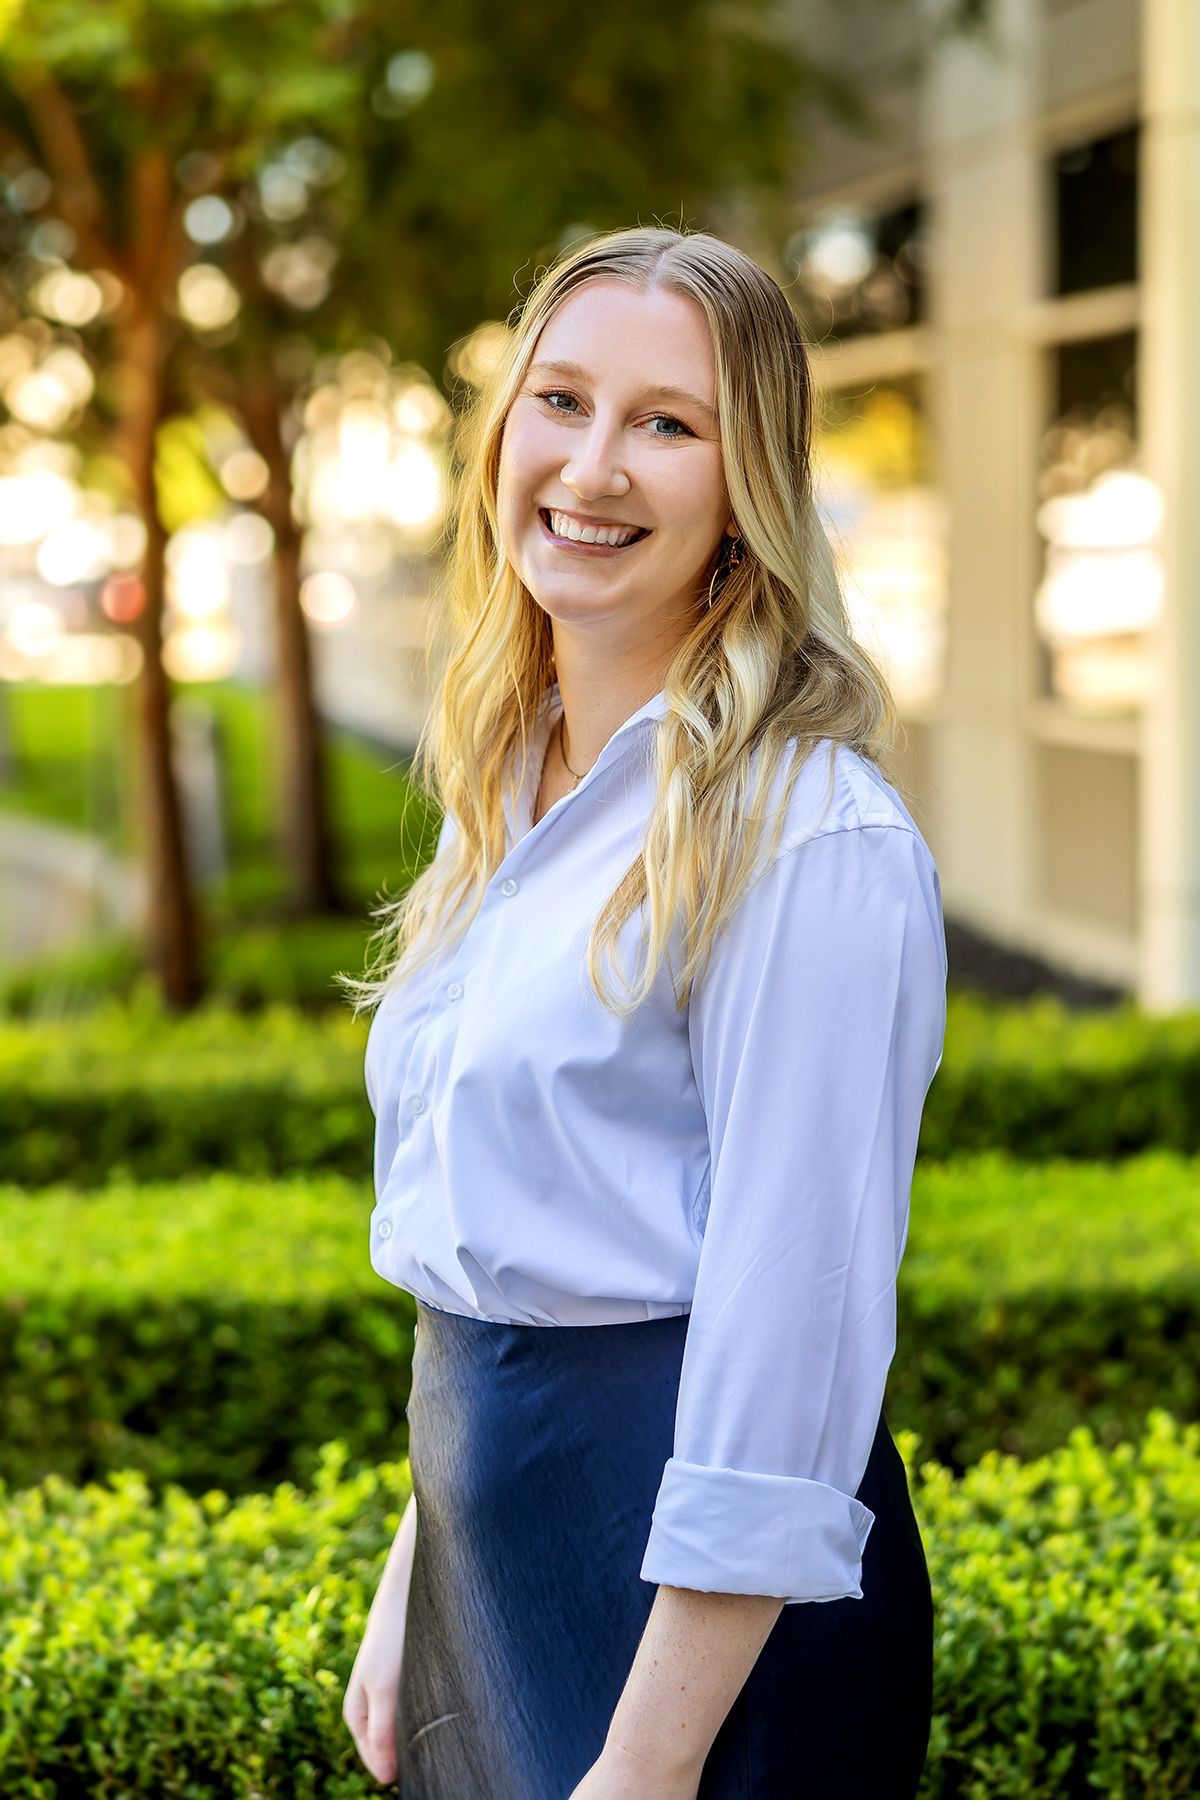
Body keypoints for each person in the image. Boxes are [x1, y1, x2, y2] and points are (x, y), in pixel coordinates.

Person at [339, 224, 947, 1799]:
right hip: (498, 1551)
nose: (593, 467)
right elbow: (513, 1232)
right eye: (563, 401)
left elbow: (792, 1327)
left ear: (748, 486)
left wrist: (650, 1760)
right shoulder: (509, 782)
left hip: (696, 1624)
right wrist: (421, 1575)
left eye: (667, 425)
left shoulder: (811, 833)